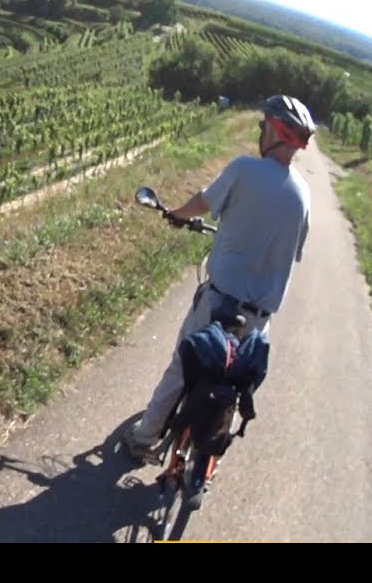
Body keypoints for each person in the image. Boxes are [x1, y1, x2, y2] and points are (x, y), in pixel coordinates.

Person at [122, 94, 317, 464]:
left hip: (220, 300)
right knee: (233, 380)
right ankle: (208, 459)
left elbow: (203, 203)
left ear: (274, 132)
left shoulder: (244, 168)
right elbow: (292, 250)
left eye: (263, 127)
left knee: (183, 366)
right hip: (259, 318)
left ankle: (144, 437)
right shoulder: (304, 194)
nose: (260, 132)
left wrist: (177, 214)